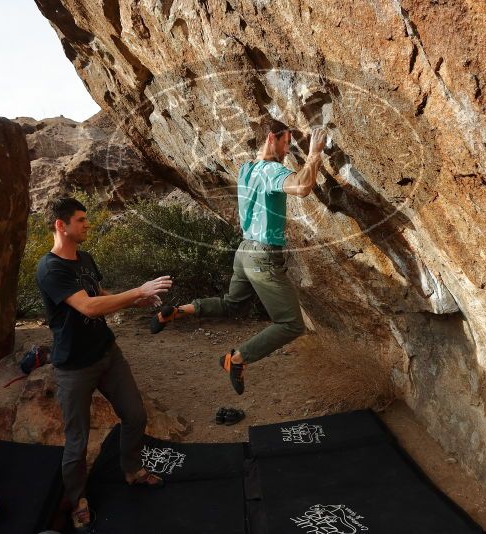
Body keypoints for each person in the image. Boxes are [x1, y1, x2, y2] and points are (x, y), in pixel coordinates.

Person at [150, 121, 327, 395]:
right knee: (291, 324)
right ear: (272, 138)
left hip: (244, 251)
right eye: (286, 142)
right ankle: (237, 359)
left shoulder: (246, 170)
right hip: (263, 256)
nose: (288, 149)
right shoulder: (271, 170)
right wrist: (314, 153)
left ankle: (176, 311)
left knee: (232, 304)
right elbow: (302, 187)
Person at [35, 197, 173, 531]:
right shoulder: (50, 268)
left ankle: (131, 470)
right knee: (77, 440)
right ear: (61, 225)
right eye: (81, 220)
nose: (87, 225)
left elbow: (99, 294)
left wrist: (137, 299)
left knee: (135, 415)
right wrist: (136, 289)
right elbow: (88, 308)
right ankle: (78, 499)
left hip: (107, 353)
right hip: (74, 367)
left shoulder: (85, 258)